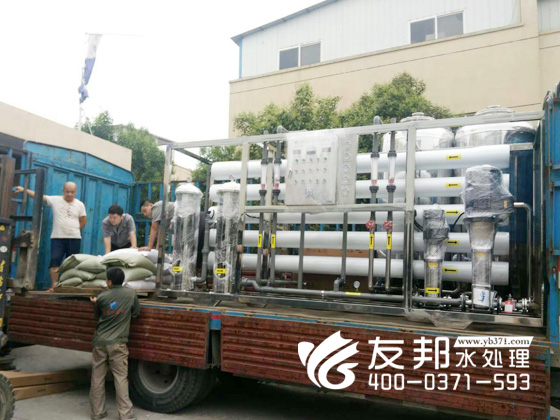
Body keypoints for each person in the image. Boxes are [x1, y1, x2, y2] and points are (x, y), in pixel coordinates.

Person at [14, 182, 87, 292]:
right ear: (63, 191)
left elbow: (83, 220)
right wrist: (24, 189)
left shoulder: (80, 205)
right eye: (67, 192)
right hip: (57, 237)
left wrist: (74, 229)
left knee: (72, 264)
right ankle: (54, 286)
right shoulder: (55, 200)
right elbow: (39, 196)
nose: (69, 194)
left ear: (75, 192)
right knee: (54, 261)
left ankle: (69, 287)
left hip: (74, 238)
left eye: (72, 192)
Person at [90, 267, 140, 420]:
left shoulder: (102, 297)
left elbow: (97, 316)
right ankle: (125, 414)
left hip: (100, 342)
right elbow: (136, 313)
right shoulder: (131, 294)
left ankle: (97, 413)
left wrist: (95, 302)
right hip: (118, 343)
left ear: (109, 282)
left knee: (97, 377)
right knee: (120, 378)